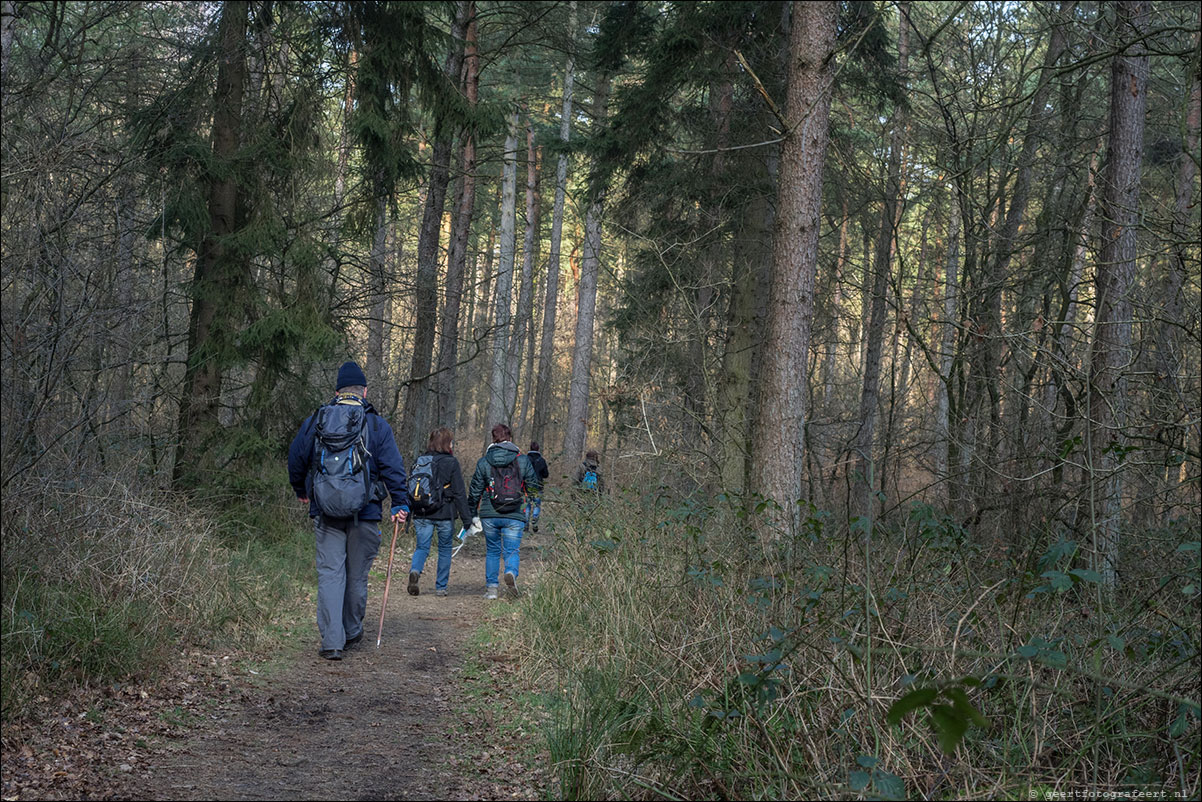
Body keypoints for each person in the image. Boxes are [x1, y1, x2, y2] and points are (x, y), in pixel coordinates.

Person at [288, 361, 409, 661]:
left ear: (337, 392)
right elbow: (393, 468)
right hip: (365, 512)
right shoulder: (377, 425)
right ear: (364, 392)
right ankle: (352, 630)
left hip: (326, 512)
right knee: (356, 575)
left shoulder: (318, 419)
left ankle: (332, 641)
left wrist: (301, 491)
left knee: (330, 575)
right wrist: (400, 502)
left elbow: (296, 456)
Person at [467, 423, 542, 599]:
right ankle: (510, 573)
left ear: (493, 439)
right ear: (510, 438)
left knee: (493, 550)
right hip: (515, 513)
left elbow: (475, 491)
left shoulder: (484, 461)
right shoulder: (522, 460)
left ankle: (492, 589)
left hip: (489, 513)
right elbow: (533, 488)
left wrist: (472, 514)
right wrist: (527, 504)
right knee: (512, 550)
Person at [407, 427, 473, 598]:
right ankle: (441, 587)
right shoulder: (451, 462)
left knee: (422, 547)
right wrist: (467, 519)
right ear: (446, 444)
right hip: (445, 513)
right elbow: (459, 492)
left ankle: (415, 570)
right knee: (444, 549)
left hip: (421, 511)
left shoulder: (420, 460)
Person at [525, 441, 550, 532]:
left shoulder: (525, 459)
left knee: (527, 505)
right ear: (538, 449)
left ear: (530, 448)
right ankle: (535, 520)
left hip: (527, 486)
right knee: (536, 505)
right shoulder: (542, 460)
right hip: (538, 486)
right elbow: (546, 474)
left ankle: (526, 523)